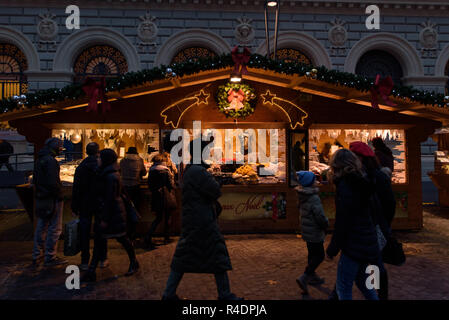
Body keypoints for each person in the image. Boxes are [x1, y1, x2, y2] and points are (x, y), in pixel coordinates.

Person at [162, 139, 242, 300]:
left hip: (195, 220)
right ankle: (224, 295)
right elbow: (214, 191)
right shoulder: (198, 172)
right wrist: (216, 182)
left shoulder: (192, 170)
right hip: (202, 222)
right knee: (215, 257)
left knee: (186, 258)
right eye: (208, 151)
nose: (210, 154)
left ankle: (169, 294)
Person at [326, 149, 380, 300]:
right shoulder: (362, 181)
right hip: (366, 240)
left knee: (343, 287)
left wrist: (332, 249)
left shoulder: (345, 186)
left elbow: (343, 221)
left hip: (353, 243)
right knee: (364, 283)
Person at [81, 149, 139, 282]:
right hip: (108, 213)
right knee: (100, 241)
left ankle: (134, 262)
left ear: (106, 159)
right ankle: (91, 270)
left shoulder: (111, 176)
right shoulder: (106, 173)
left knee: (122, 239)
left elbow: (110, 199)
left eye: (100, 157)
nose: (98, 159)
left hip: (113, 215)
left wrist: (105, 218)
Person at [349, 141, 396, 300]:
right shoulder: (364, 176)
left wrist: (382, 224)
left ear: (362, 158)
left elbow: (389, 204)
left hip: (375, 226)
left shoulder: (376, 177)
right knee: (370, 264)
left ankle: (377, 295)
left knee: (374, 264)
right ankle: (374, 294)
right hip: (368, 227)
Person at [72, 142, 108, 271]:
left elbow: (76, 188)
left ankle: (84, 260)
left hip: (84, 203)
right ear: (98, 152)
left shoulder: (81, 167)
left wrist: (74, 206)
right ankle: (102, 258)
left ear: (86, 152)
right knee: (101, 231)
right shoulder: (102, 166)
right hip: (99, 203)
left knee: (84, 232)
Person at [32, 138, 68, 267]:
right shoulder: (51, 161)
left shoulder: (39, 160)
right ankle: (50, 256)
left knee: (41, 225)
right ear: (55, 147)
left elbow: (35, 180)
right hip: (52, 198)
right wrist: (60, 195)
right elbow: (53, 182)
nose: (61, 150)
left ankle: (37, 254)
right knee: (55, 227)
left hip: (41, 197)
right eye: (60, 147)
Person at [295, 171, 329, 295]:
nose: (317, 182)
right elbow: (319, 216)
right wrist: (325, 225)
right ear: (310, 183)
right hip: (314, 231)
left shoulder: (302, 195)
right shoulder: (313, 198)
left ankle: (312, 276)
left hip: (306, 230)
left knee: (312, 254)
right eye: (314, 180)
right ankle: (305, 276)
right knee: (319, 255)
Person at [145, 153, 174, 249]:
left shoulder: (152, 170)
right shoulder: (165, 171)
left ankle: (148, 236)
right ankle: (166, 237)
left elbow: (149, 184)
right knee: (167, 217)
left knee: (158, 218)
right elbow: (170, 185)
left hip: (156, 196)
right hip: (165, 196)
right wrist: (172, 176)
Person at [120, 146, 147, 240]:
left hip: (124, 188)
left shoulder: (123, 161)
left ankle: (125, 232)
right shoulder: (140, 160)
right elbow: (144, 173)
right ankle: (133, 233)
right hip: (135, 187)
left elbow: (119, 172)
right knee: (135, 209)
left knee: (125, 210)